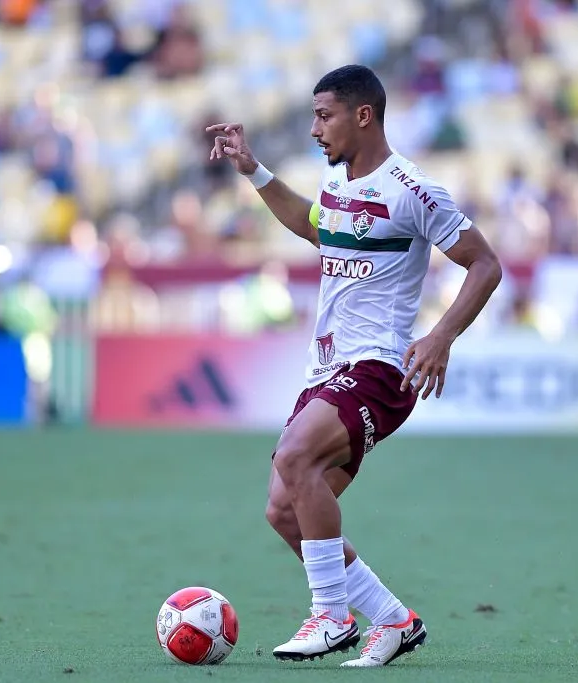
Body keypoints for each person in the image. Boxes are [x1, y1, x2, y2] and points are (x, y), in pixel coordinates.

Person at [206, 64, 503, 667]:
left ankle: (332, 615)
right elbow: (314, 228)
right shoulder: (336, 180)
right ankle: (394, 620)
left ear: (362, 115)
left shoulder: (413, 190)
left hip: (380, 368)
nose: (315, 129)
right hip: (328, 368)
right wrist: (254, 170)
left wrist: (440, 336)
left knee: (295, 458)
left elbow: (485, 264)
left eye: (324, 116)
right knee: (284, 509)